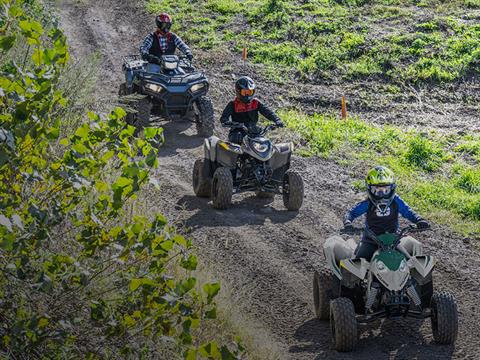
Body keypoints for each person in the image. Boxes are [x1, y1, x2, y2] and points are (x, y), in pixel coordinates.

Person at [343, 166, 430, 261]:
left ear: (392, 189)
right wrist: (348, 223)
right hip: (370, 241)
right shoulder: (367, 203)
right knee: (358, 263)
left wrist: (419, 220)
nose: (382, 194)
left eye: (386, 190)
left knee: (410, 262)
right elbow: (351, 212)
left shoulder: (396, 200)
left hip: (392, 240)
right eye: (377, 190)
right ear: (369, 189)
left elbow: (408, 211)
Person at [220, 76, 284, 144]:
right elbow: (223, 119)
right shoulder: (232, 104)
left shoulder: (256, 103)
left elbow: (268, 112)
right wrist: (233, 124)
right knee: (237, 139)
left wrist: (277, 120)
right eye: (245, 92)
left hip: (253, 131)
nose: (247, 95)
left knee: (265, 143)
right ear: (238, 91)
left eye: (249, 92)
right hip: (238, 132)